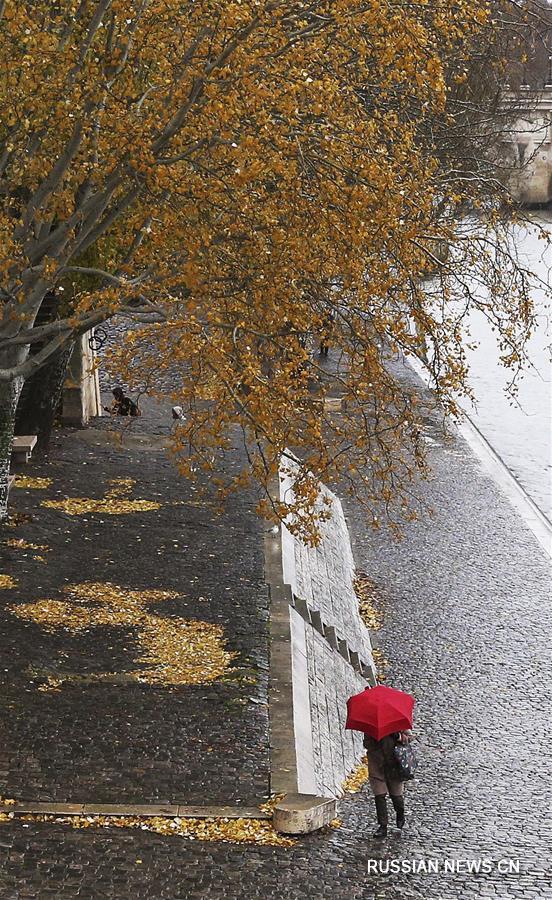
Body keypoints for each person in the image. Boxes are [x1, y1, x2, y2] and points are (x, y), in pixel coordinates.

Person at [363, 728, 413, 838]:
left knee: (396, 796)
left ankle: (400, 814)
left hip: (395, 764)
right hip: (377, 764)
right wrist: (375, 739)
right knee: (379, 795)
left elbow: (409, 738)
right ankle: (383, 826)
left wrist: (397, 736)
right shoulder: (371, 726)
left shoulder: (397, 723)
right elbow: (366, 744)